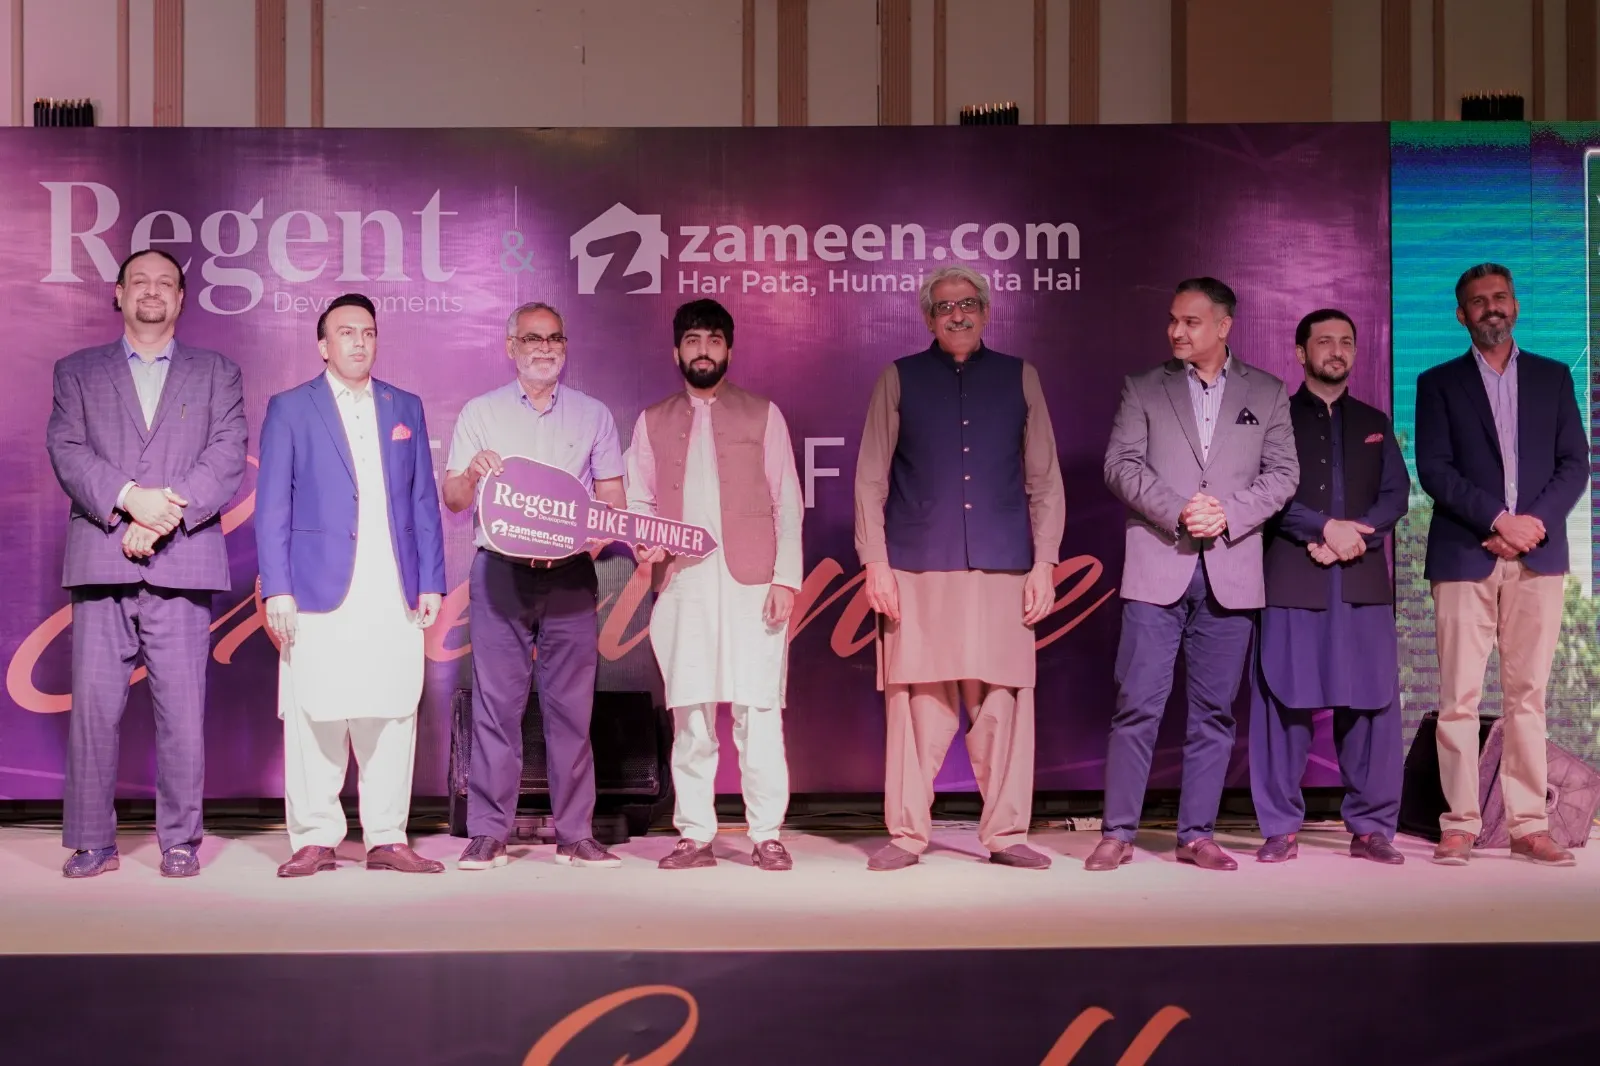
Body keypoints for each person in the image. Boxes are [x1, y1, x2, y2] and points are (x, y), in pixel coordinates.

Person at [854, 265, 1065, 872]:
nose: (958, 315)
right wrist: (876, 564)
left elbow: (1045, 481)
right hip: (917, 566)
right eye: (945, 307)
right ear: (928, 317)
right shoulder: (899, 378)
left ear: (987, 311)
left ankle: (1006, 834)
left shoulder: (1020, 377)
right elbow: (869, 479)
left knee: (1003, 702)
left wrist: (1045, 563)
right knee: (918, 705)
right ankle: (907, 834)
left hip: (1004, 567)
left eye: (968, 304)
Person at [45, 248, 247, 878]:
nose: (152, 291)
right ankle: (91, 842)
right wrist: (130, 499)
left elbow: (228, 454)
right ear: (118, 293)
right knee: (94, 711)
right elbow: (67, 450)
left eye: (165, 283)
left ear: (181, 298)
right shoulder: (77, 371)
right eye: (140, 282)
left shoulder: (217, 372)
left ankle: (180, 839)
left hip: (183, 559)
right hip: (102, 558)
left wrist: (161, 515)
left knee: (181, 714)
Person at [1093, 277, 1298, 872]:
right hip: (1158, 566)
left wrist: (1226, 512)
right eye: (1173, 320)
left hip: (1232, 572)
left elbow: (1283, 474)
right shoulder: (1143, 387)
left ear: (1224, 326)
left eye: (1190, 322)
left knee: (1214, 714)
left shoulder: (1268, 391)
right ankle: (1117, 832)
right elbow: (1119, 464)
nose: (1176, 331)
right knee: (1137, 705)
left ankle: (1196, 836)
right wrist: (1179, 509)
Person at [256, 293, 447, 877]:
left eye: (367, 332)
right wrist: (277, 588)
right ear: (323, 345)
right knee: (316, 710)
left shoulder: (404, 406)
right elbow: (272, 506)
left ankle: (387, 837)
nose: (359, 342)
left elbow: (423, 501)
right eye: (345, 332)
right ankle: (315, 838)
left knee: (391, 710)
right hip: (317, 587)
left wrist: (431, 580)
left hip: (392, 585)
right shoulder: (291, 407)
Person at [1415, 263, 1588, 867]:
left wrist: (1529, 524)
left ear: (1515, 306)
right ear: (1461, 314)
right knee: (1459, 697)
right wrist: (1496, 521)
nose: (1491, 307)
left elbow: (1575, 464)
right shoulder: (1438, 382)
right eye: (1478, 301)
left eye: (1500, 297)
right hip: (1465, 552)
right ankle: (1461, 824)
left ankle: (1529, 825)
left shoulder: (1553, 377)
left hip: (1539, 555)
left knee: (1528, 697)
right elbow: (1434, 470)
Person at [443, 301, 626, 870]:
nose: (544, 348)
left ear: (565, 346)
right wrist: (471, 472)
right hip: (500, 573)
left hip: (569, 575)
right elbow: (453, 498)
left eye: (554, 339)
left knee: (571, 709)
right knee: (496, 707)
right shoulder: (480, 413)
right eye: (532, 339)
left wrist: (590, 538)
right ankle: (489, 833)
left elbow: (613, 499)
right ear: (511, 347)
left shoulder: (593, 414)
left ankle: (575, 834)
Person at [625, 299, 803, 871]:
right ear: (676, 351)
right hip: (684, 584)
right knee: (691, 715)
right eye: (693, 340)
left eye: (714, 340)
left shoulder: (764, 414)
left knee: (759, 712)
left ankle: (767, 833)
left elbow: (787, 502)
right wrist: (645, 544)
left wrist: (786, 579)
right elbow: (638, 499)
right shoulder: (651, 420)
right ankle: (695, 835)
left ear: (729, 349)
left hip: (754, 586)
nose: (703, 350)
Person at [1250, 309, 1408, 865]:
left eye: (1346, 341)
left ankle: (1371, 829)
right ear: (1300, 352)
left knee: (1371, 702)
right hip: (1293, 578)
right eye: (1324, 341)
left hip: (1361, 581)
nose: (1336, 350)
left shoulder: (1374, 421)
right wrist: (1322, 529)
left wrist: (1350, 538)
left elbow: (1396, 496)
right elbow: (1264, 493)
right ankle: (1280, 828)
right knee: (1283, 702)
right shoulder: (1273, 419)